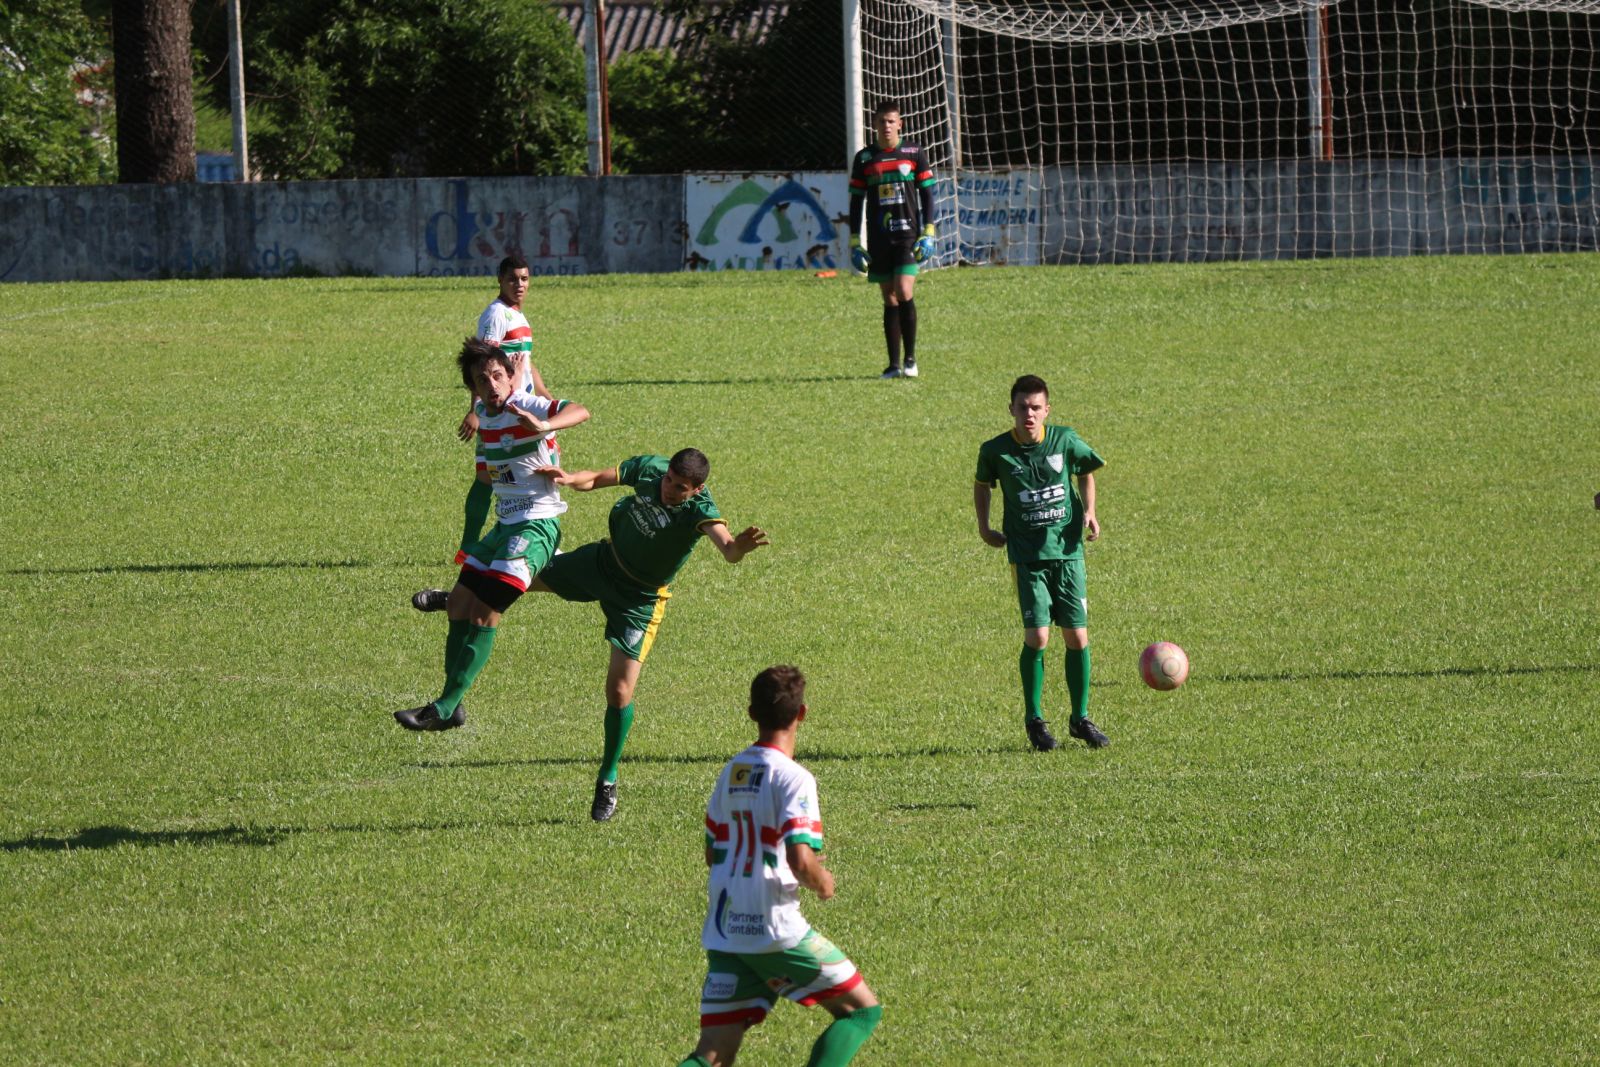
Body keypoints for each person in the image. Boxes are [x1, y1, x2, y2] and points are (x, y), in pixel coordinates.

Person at [411, 448, 770, 820]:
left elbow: (727, 549)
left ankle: (607, 781)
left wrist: (738, 549)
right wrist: (568, 478)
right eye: (668, 481)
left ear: (697, 489)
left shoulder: (700, 510)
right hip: (601, 563)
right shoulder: (651, 470)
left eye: (680, 488)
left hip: (639, 599)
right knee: (514, 578)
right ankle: (455, 599)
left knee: (619, 692)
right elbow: (598, 478)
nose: (669, 489)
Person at [676, 665, 882, 1067]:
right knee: (861, 1012)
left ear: (751, 713)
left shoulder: (731, 771)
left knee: (713, 1054)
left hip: (725, 929)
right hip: (774, 928)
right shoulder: (794, 778)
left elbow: (710, 851)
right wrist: (822, 881)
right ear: (802, 713)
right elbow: (799, 858)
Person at [393, 337, 590, 732]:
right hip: (503, 526)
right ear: (474, 390)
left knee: (486, 612)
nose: (493, 386)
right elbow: (485, 478)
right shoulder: (484, 417)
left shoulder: (527, 406)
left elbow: (580, 411)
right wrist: (469, 540)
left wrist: (546, 428)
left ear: (511, 376)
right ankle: (454, 701)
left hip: (536, 525)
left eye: (499, 376)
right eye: (484, 380)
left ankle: (444, 707)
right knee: (458, 605)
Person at [974, 374, 1109, 751]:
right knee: (1038, 637)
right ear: (1011, 410)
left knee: (1077, 637)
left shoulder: (1065, 440)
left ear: (1047, 410)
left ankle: (1080, 718)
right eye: (1022, 408)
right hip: (1028, 556)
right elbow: (982, 484)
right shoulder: (995, 450)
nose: (1029, 414)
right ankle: (1035, 719)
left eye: (1036, 407)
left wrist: (1091, 512)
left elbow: (1086, 471)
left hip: (1068, 553)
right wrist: (984, 527)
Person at [452, 254, 555, 565]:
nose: (519, 284)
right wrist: (475, 410)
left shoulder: (518, 317)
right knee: (487, 475)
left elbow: (526, 362)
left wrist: (546, 396)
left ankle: (521, 537)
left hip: (520, 408)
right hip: (498, 409)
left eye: (524, 279)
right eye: (513, 279)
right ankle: (472, 546)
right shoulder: (496, 315)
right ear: (500, 280)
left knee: (519, 473)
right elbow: (481, 363)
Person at [847, 100, 938, 380]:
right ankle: (893, 364)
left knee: (903, 289)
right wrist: (853, 240)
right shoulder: (864, 159)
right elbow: (856, 201)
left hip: (907, 236)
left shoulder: (914, 153)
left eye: (891, 121)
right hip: (878, 238)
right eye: (881, 121)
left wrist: (929, 231)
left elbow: (927, 194)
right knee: (889, 297)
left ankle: (911, 359)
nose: (886, 126)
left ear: (900, 124)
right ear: (874, 125)